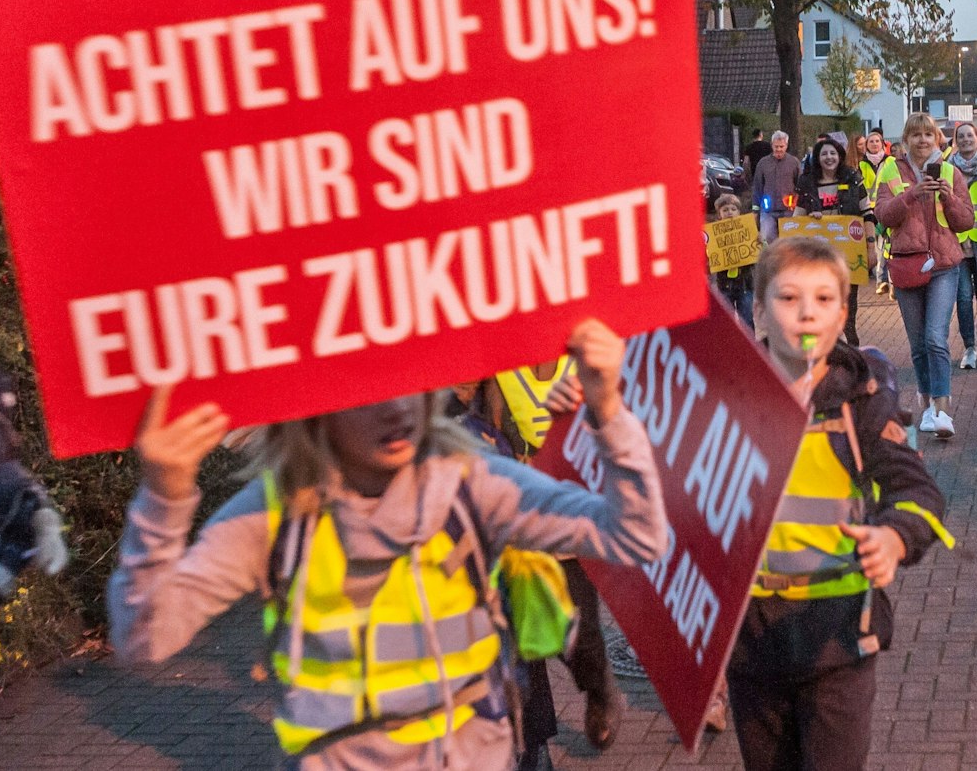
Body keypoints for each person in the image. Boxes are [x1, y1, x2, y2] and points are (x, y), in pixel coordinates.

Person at [110, 319, 667, 770]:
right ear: (315, 396)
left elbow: (638, 534)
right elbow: (144, 635)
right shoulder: (278, 512)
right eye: (368, 385)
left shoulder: (470, 482)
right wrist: (164, 496)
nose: (398, 406)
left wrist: (609, 413)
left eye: (411, 376)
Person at [729, 237, 950, 771]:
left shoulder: (861, 404)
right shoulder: (727, 402)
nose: (807, 311)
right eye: (788, 298)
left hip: (838, 641)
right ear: (757, 314)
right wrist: (598, 411)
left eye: (824, 299)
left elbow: (917, 491)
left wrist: (895, 537)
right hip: (750, 646)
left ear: (843, 314)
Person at [449, 377, 625, 766]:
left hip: (552, 500)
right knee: (516, 633)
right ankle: (533, 745)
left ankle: (597, 689)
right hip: (489, 515)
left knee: (577, 626)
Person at [874, 115, 974, 439]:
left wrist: (949, 196)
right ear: (906, 139)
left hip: (944, 264)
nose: (922, 140)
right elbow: (883, 216)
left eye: (927, 135)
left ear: (937, 139)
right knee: (918, 345)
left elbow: (966, 222)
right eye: (915, 135)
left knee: (935, 337)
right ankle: (928, 401)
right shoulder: (890, 170)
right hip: (906, 265)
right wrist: (911, 194)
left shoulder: (950, 172)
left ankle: (942, 410)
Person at [797, 137, 871, 347]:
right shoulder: (806, 183)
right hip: (818, 255)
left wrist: (872, 246)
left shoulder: (853, 178)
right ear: (817, 159)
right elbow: (797, 218)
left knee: (849, 304)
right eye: (824, 154)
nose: (829, 158)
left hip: (848, 251)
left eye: (833, 153)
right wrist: (809, 218)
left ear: (839, 156)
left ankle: (852, 343)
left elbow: (867, 213)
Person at [948, 124, 977, 372]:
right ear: (956, 141)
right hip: (957, 241)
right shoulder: (947, 169)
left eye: (969, 135)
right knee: (963, 297)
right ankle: (969, 347)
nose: (965, 139)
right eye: (961, 136)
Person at [856, 129, 900, 296]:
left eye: (877, 141)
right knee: (875, 247)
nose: (874, 144)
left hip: (887, 208)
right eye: (871, 141)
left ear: (883, 144)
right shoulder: (861, 164)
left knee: (887, 245)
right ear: (866, 146)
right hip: (868, 211)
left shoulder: (892, 162)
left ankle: (889, 281)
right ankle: (881, 280)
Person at [710, 193, 756, 332]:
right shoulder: (714, 235)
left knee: (747, 320)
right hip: (724, 285)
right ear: (719, 215)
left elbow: (761, 252)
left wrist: (760, 240)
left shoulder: (748, 230)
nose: (729, 212)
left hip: (745, 283)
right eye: (725, 210)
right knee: (726, 322)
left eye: (733, 209)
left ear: (739, 212)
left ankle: (749, 350)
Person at [751, 131, 804, 244]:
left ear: (786, 146)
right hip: (768, 211)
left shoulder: (794, 162)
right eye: (776, 146)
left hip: (789, 211)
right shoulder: (763, 163)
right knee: (768, 240)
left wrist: (799, 206)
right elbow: (757, 186)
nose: (779, 149)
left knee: (788, 243)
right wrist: (755, 209)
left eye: (781, 146)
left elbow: (800, 185)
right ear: (772, 145)